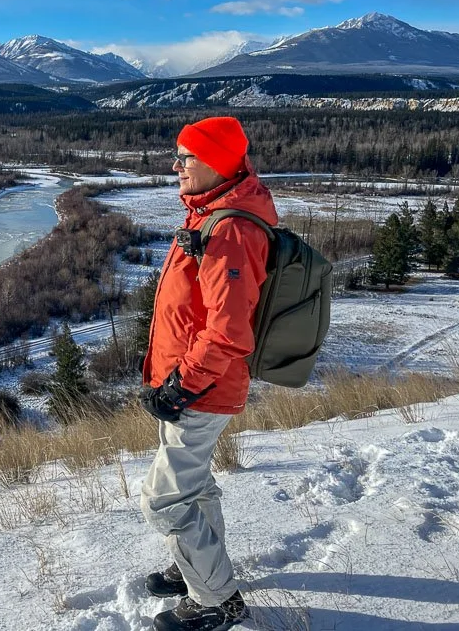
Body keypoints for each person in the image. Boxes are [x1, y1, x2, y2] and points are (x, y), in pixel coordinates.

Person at [139, 116, 278, 631]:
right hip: (190, 382)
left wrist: (183, 383)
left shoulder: (231, 229)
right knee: (193, 487)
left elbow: (228, 332)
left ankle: (217, 599)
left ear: (217, 162)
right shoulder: (211, 215)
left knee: (164, 499)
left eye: (187, 156)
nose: (176, 165)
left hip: (202, 388)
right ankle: (193, 568)